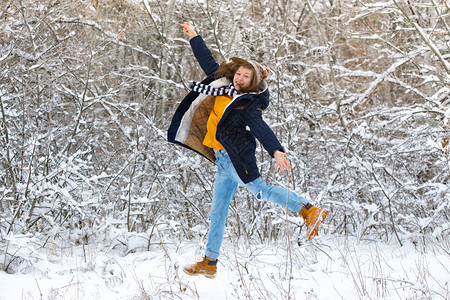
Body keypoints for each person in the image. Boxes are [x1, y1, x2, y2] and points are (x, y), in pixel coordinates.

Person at [167, 22, 329, 279]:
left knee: (261, 190)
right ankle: (209, 262)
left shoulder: (249, 104)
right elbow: (207, 61)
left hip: (236, 158)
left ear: (253, 81)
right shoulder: (221, 86)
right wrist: (194, 36)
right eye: (238, 73)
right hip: (222, 160)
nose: (240, 78)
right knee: (217, 212)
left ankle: (308, 210)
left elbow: (259, 127)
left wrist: (276, 150)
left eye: (246, 76)